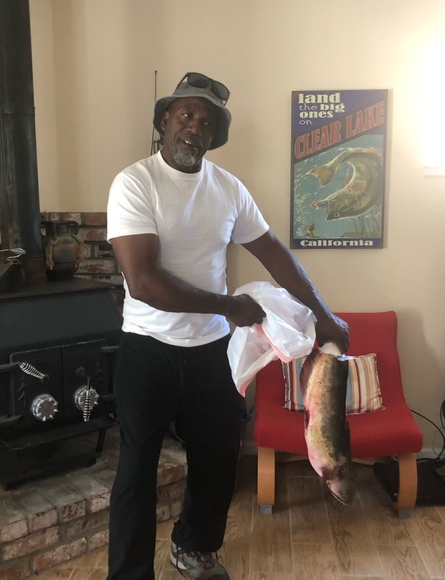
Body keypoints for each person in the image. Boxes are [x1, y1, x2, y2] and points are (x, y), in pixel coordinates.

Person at [106, 71, 349, 580]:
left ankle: (193, 549)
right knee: (136, 469)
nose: (195, 127)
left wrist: (323, 314)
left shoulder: (228, 189)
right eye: (187, 114)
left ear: (215, 135)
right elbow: (143, 282)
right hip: (147, 350)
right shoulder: (135, 183)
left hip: (211, 352)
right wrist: (228, 306)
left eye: (207, 122)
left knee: (218, 458)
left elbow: (275, 255)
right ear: (165, 120)